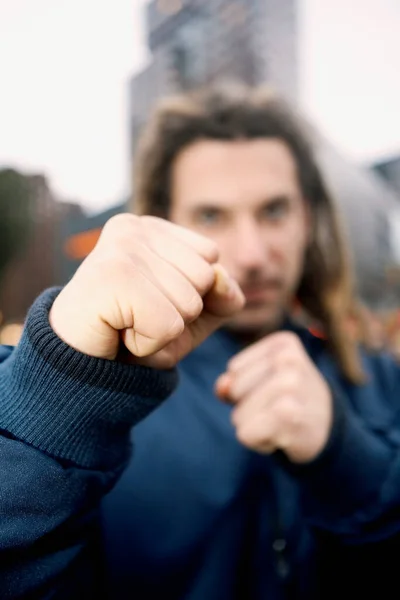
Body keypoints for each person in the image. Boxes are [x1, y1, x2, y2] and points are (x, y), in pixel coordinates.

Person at [1, 84, 400, 599]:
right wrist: (51, 404)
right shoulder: (107, 412)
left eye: (274, 211)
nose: (253, 254)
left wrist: (346, 460)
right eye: (212, 216)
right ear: (163, 225)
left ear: (308, 217)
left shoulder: (382, 381)